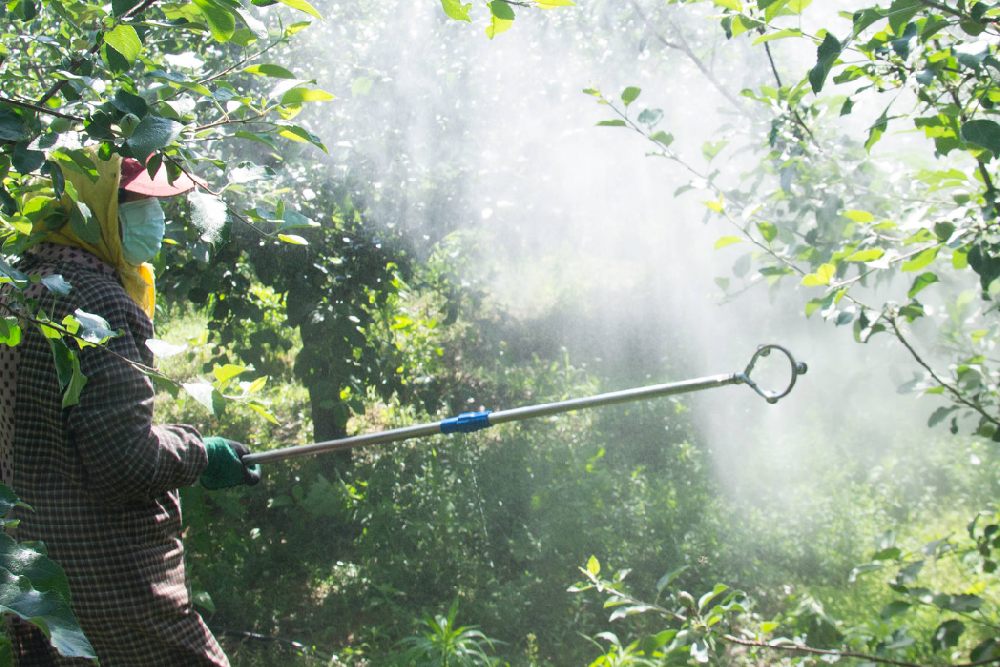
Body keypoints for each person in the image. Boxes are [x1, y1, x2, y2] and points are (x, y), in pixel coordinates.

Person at [0, 148, 260, 666]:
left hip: (31, 577)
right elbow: (124, 463)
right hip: (106, 575)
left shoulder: (19, 279)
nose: (158, 220)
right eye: (139, 204)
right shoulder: (98, 301)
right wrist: (200, 452)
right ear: (94, 210)